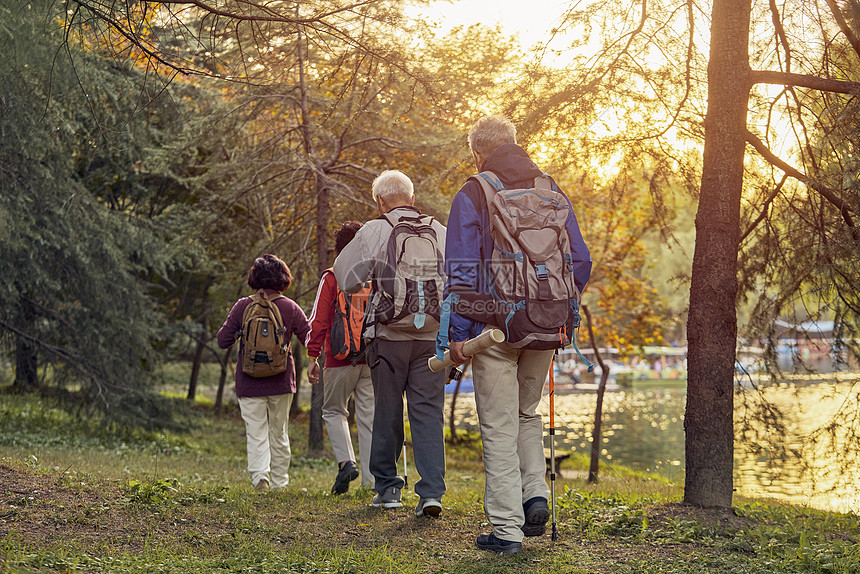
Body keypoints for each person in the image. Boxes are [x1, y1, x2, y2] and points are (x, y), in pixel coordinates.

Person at [445, 115, 592, 553]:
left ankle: (507, 530)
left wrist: (459, 337)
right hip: (547, 324)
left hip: (495, 329)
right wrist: (559, 312)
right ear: (515, 144)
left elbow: (462, 270)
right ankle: (535, 497)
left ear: (477, 152)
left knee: (498, 426)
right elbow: (579, 262)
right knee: (527, 414)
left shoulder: (474, 192)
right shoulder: (550, 189)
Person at [333, 170, 448, 517]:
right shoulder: (439, 229)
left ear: (379, 201)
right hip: (431, 337)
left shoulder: (374, 229)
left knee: (387, 410)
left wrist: (366, 284)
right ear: (412, 199)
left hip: (389, 335)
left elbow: (344, 276)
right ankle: (431, 495)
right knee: (428, 413)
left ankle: (388, 489)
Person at [217, 254, 311, 492]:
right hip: (281, 381)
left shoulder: (243, 306)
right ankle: (280, 483)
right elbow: (310, 338)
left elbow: (222, 340)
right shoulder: (290, 307)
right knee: (279, 433)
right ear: (283, 278)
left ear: (254, 278)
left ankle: (261, 477)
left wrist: (239, 332)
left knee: (256, 432)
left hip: (249, 381)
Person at [306, 221, 375, 495]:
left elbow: (319, 320)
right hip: (371, 358)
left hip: (339, 359)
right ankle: (372, 481)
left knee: (334, 411)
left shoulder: (333, 276)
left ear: (338, 249)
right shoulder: (374, 276)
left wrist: (313, 356)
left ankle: (346, 462)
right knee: (369, 418)